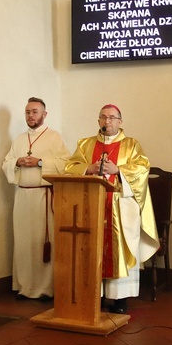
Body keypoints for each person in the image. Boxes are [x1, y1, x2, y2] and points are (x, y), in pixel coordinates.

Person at [64, 104, 158, 314]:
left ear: (120, 121)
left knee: (119, 249)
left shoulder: (131, 145)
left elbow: (142, 168)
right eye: (104, 117)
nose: (108, 122)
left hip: (120, 206)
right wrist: (87, 168)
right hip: (92, 206)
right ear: (98, 121)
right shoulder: (85, 144)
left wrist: (119, 170)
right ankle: (93, 295)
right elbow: (70, 166)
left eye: (112, 118)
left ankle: (119, 298)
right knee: (92, 249)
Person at [2, 97, 70, 300]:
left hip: (44, 196)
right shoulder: (20, 139)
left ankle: (46, 289)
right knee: (23, 242)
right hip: (23, 196)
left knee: (42, 242)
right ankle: (25, 287)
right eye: (27, 112)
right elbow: (6, 163)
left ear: (44, 114)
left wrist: (40, 162)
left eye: (34, 112)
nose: (30, 116)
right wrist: (17, 161)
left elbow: (66, 163)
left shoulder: (54, 137)